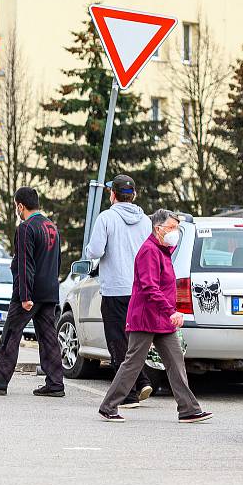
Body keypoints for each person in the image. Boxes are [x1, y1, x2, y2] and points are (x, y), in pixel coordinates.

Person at [98, 209, 212, 423]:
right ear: (158, 229)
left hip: (162, 320)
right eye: (171, 228)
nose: (175, 232)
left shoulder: (163, 251)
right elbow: (150, 287)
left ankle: (188, 409)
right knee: (132, 363)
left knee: (176, 363)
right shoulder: (150, 251)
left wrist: (169, 312)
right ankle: (108, 406)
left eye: (176, 228)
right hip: (145, 317)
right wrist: (171, 311)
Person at [0, 187, 65, 397]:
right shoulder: (51, 226)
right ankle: (55, 383)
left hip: (29, 293)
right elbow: (56, 261)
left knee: (11, 335)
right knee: (49, 337)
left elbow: (25, 264)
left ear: (20, 206)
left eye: (16, 206)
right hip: (49, 291)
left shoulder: (26, 228)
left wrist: (24, 296)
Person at [84, 174, 153, 408]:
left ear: (113, 194)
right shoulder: (145, 221)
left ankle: (128, 394)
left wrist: (88, 248)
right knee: (135, 339)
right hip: (139, 287)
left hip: (115, 288)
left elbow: (94, 251)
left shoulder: (107, 218)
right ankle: (142, 379)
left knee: (117, 341)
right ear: (133, 195)